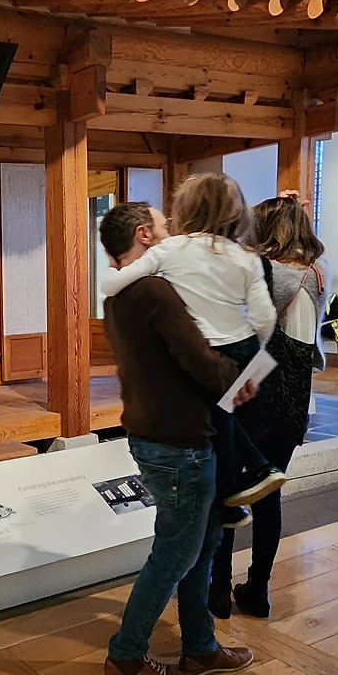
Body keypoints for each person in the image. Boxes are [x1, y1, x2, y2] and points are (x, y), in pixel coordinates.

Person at [99, 201, 255, 675]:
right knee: (175, 553)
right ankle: (126, 657)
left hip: (158, 432)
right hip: (177, 439)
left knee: (200, 545)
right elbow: (199, 360)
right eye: (165, 226)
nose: (173, 233)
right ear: (144, 235)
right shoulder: (154, 290)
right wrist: (241, 376)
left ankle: (200, 647)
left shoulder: (119, 293)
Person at [100, 172, 285, 527]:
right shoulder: (247, 257)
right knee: (224, 416)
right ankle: (245, 483)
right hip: (243, 345)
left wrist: (110, 275)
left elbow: (115, 283)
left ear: (185, 208)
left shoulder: (171, 251)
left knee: (213, 419)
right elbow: (265, 315)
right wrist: (255, 351)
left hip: (208, 348)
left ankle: (245, 481)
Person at [210, 196, 331, 619]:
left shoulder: (262, 269)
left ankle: (218, 590)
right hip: (298, 395)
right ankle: (258, 589)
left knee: (228, 490)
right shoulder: (319, 271)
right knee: (268, 493)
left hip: (255, 389)